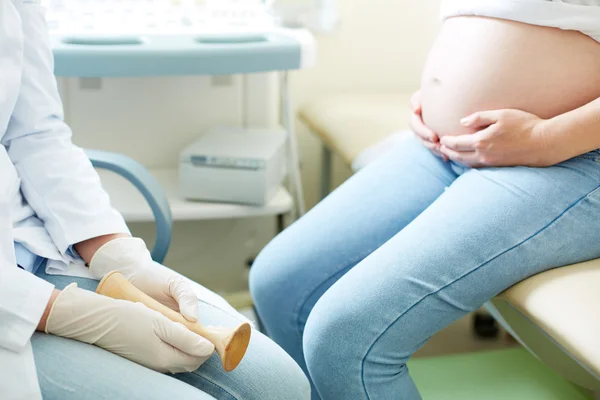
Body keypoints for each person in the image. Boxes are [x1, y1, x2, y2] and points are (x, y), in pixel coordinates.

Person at [250, 1, 600, 399]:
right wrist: (438, 92)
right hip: (447, 148)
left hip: (571, 161)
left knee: (346, 340)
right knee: (280, 283)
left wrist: (543, 139)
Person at [0, 1, 309, 399]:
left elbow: (34, 133)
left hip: (31, 245)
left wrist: (116, 253)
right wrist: (69, 314)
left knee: (281, 386)